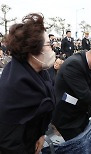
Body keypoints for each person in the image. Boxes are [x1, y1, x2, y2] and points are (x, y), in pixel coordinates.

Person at [0, 13, 56, 154]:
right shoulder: (15, 86)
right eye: (48, 45)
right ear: (32, 50)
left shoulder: (40, 71)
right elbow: (8, 140)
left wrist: (41, 134)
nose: (52, 50)